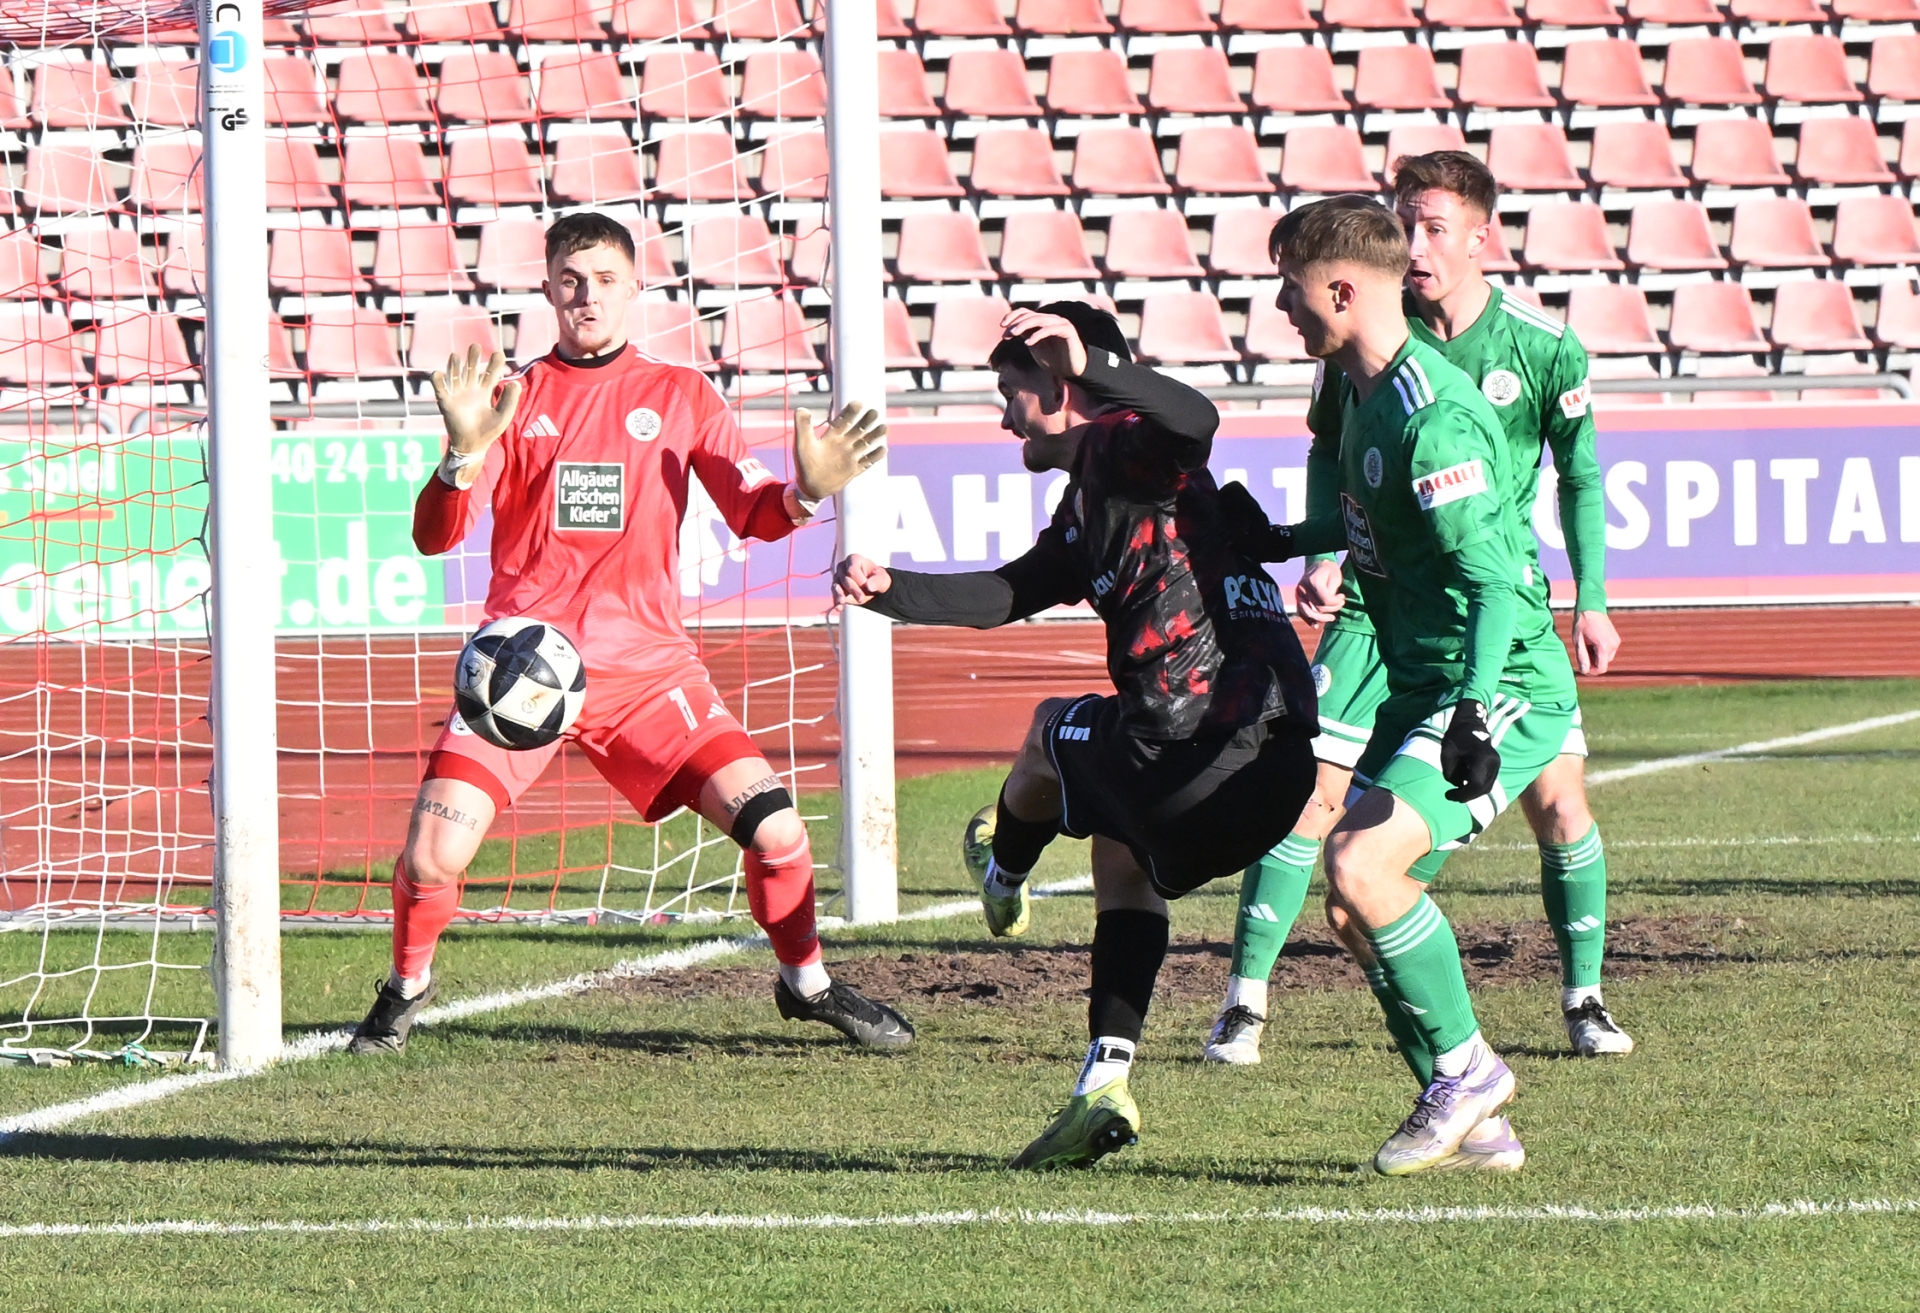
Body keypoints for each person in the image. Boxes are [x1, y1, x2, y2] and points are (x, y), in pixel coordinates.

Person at [348, 212, 914, 1056]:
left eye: (606, 280)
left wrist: (805, 492)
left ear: (635, 289)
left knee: (778, 831)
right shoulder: (512, 399)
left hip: (649, 673)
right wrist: (459, 457)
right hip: (521, 674)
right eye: (571, 280)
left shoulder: (683, 395)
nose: (588, 296)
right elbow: (435, 537)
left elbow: (753, 514)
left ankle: (808, 985)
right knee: (431, 859)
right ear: (548, 289)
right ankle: (403, 990)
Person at [831, 302, 1319, 1168]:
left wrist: (1090, 364)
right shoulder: (1089, 502)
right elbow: (1006, 593)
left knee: (1049, 727)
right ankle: (1104, 1079)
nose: (1004, 417)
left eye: (1011, 393)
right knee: (1116, 845)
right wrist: (889, 589)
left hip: (1189, 753)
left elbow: (1196, 418)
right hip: (1276, 773)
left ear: (1060, 386)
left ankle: (1002, 871)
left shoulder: (1125, 448)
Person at [1206, 156, 1632, 1068]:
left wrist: (1490, 692)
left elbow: (1508, 561)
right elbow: (1366, 499)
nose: (1279, 308)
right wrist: (1289, 541)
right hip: (1406, 638)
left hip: (1494, 658)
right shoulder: (1363, 378)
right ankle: (1453, 1092)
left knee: (1406, 854)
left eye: (1434, 226)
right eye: (1407, 224)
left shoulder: (1456, 396)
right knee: (1350, 897)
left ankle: (1531, 1030)